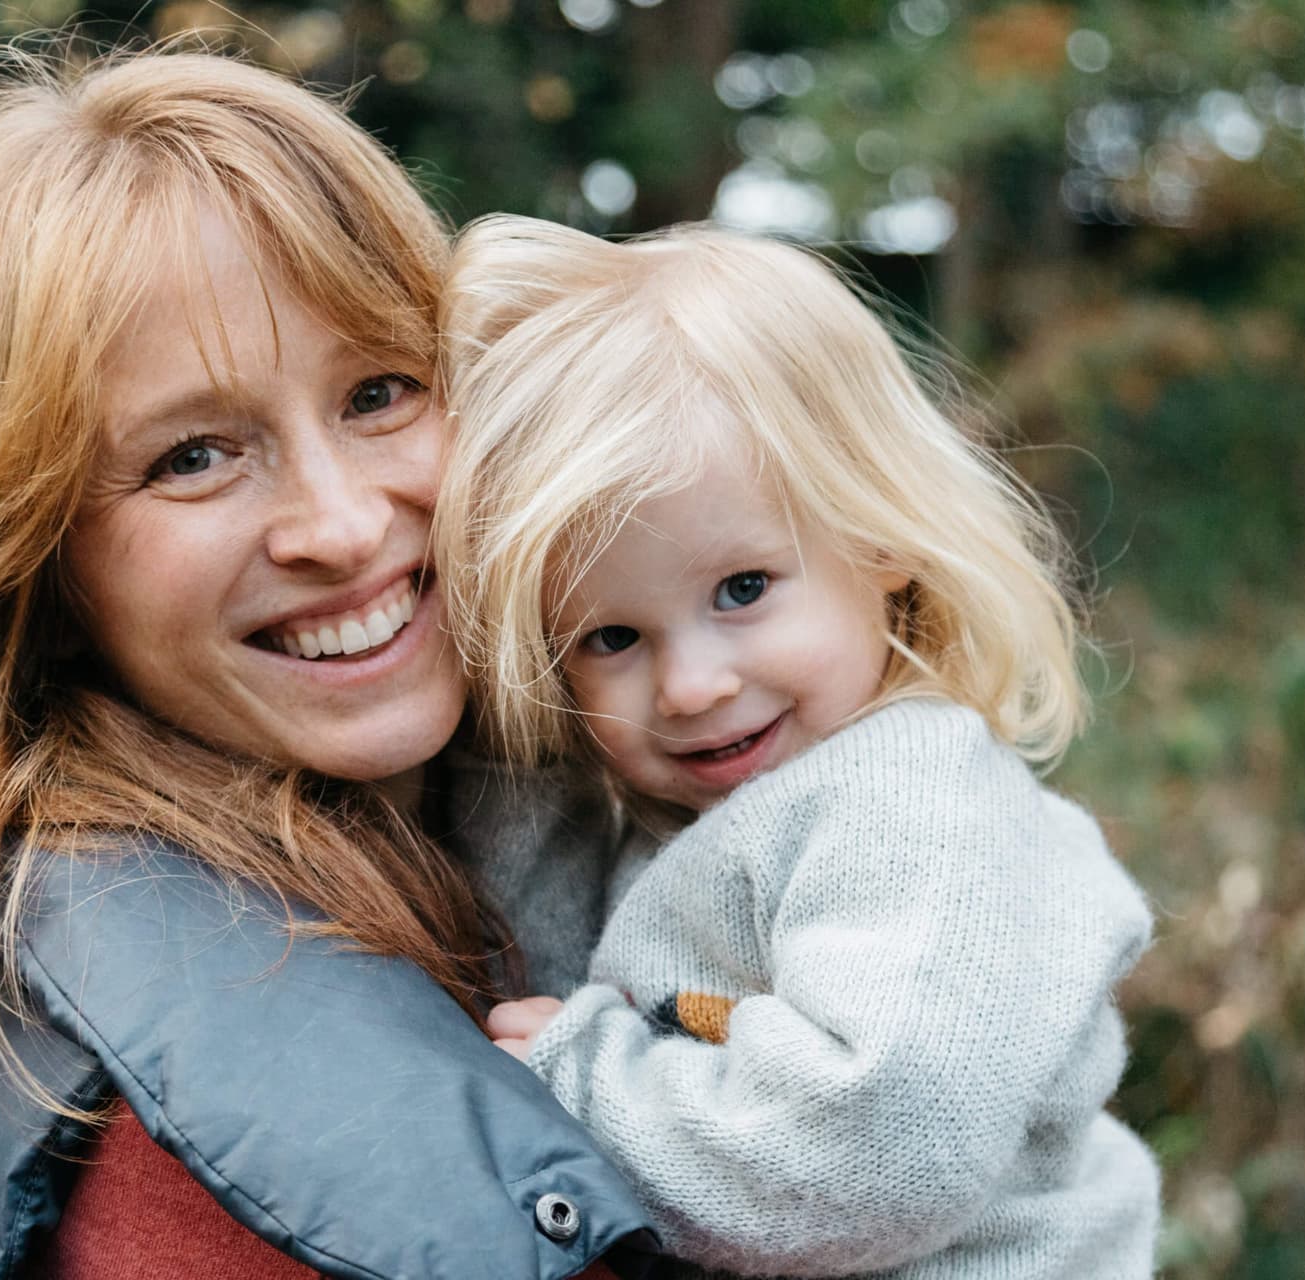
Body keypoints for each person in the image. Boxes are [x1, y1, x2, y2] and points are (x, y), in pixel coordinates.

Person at [0, 49, 655, 1279]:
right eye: (193, 455)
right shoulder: (184, 1164)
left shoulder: (526, 818)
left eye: (382, 390)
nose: (344, 524)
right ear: (38, 568)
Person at [433, 216, 1161, 1277]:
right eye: (612, 635)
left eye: (742, 589)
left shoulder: (917, 804)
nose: (690, 684)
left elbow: (876, 1149)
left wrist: (579, 1077)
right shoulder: (688, 809)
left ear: (879, 538)